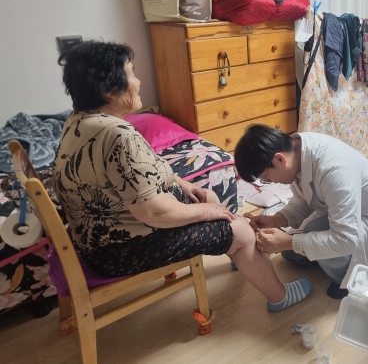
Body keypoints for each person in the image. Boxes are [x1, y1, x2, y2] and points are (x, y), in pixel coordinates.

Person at [53, 40, 310, 312]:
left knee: (209, 197)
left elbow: (136, 172)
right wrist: (207, 212)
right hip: (123, 249)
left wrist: (180, 182)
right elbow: (153, 212)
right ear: (108, 90)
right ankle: (278, 295)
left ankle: (241, 253)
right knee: (239, 227)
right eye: (132, 73)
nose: (138, 82)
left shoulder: (79, 121)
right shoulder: (117, 135)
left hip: (99, 243)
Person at [234, 124, 368, 299]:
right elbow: (304, 198)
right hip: (340, 212)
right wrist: (277, 219)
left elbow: (346, 239)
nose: (271, 182)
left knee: (306, 235)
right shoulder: (296, 152)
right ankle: (328, 258)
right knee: (289, 252)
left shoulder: (335, 169)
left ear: (279, 159)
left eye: (266, 179)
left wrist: (290, 242)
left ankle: (345, 280)